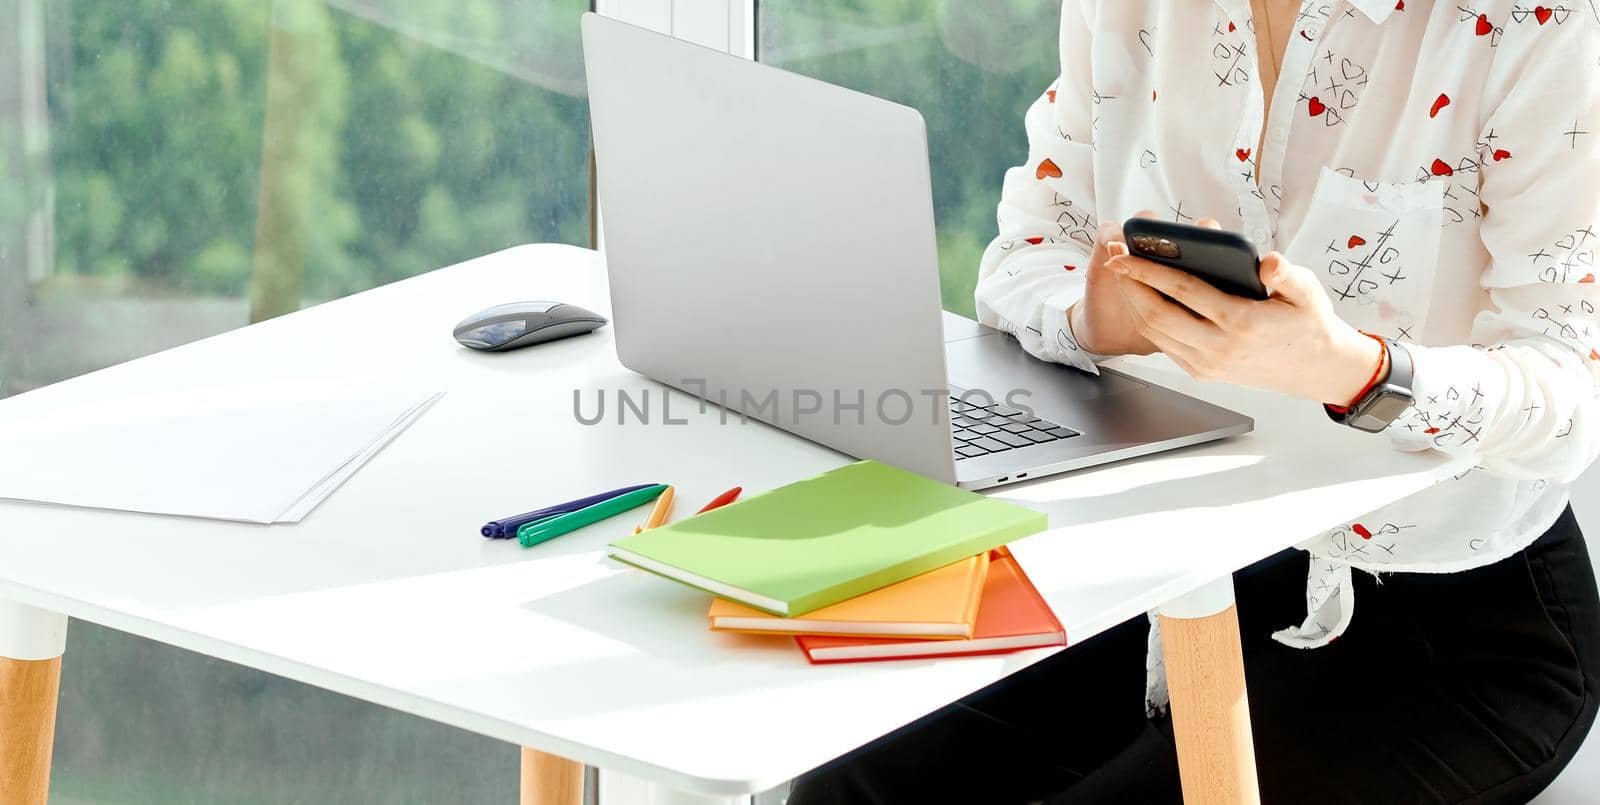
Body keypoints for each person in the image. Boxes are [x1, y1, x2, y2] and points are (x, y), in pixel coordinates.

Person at [788, 0, 1600, 802]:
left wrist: (1353, 370)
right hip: (1175, 569)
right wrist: (1098, 317)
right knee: (851, 783)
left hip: (1448, 631)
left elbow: (1571, 390)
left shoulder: (1537, 24)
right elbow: (1020, 260)